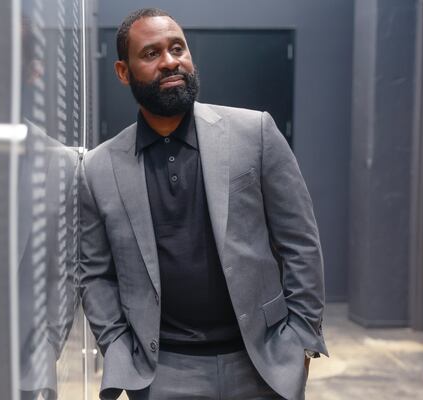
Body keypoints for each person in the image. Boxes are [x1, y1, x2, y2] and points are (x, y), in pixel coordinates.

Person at [79, 7, 327, 400]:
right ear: (123, 72)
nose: (170, 61)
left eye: (178, 48)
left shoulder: (255, 133)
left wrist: (301, 338)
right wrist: (118, 349)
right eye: (151, 53)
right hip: (163, 373)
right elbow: (95, 274)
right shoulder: (98, 168)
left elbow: (300, 241)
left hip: (261, 361)